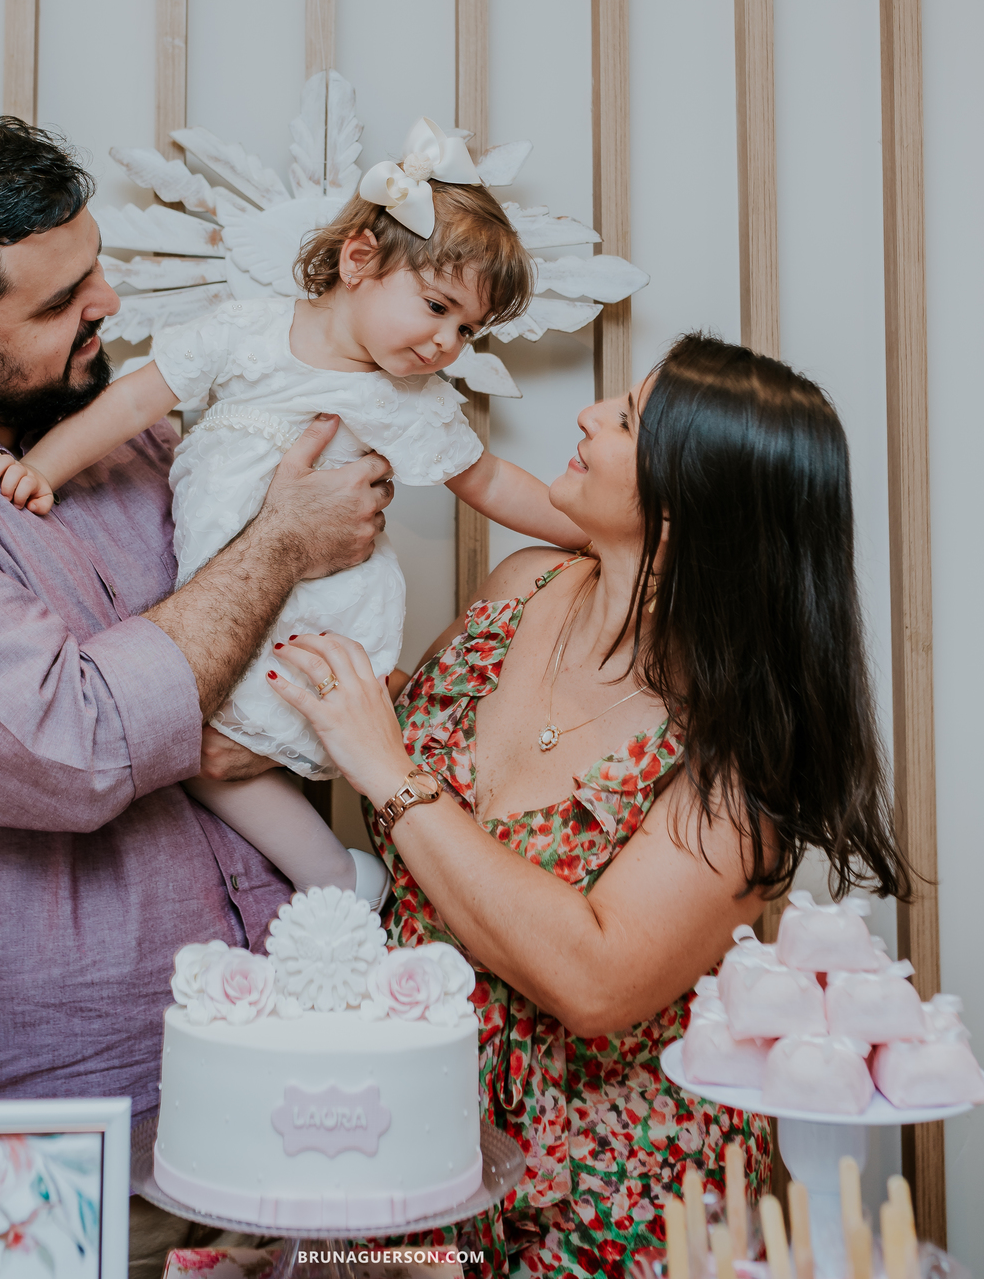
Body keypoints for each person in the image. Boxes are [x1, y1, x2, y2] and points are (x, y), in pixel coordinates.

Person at [0, 117, 392, 1163]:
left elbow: (253, 677)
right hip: (44, 1118)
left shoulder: (120, 432)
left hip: (273, 1054)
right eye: (60, 300)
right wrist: (280, 545)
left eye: (96, 269)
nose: (105, 305)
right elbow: (73, 745)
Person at [266, 335, 909, 1277]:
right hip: (408, 1128)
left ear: (689, 506)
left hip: (603, 1194)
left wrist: (390, 772)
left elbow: (599, 981)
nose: (584, 417)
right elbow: (419, 800)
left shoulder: (745, 758)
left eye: (624, 419)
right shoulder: (519, 591)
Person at [0, 116, 584, 903]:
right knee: (190, 745)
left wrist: (597, 530)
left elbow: (495, 484)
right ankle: (339, 877)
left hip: (324, 607)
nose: (448, 344)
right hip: (229, 590)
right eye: (437, 308)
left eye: (468, 330)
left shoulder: (410, 400)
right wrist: (41, 468)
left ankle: (332, 875)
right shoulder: (247, 333)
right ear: (359, 261)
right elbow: (134, 400)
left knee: (203, 750)